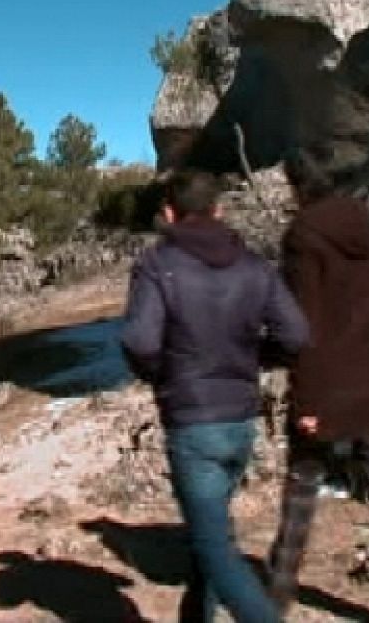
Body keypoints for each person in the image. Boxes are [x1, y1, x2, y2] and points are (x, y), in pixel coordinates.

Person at [120, 168, 311, 623]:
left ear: (168, 212)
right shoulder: (254, 266)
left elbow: (140, 342)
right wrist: (253, 357)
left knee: (213, 547)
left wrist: (166, 376)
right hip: (241, 419)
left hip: (192, 420)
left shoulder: (157, 264)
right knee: (210, 534)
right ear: (219, 209)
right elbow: (297, 335)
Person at [265, 149, 369, 623]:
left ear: (297, 187)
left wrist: (308, 399)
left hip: (323, 384)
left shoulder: (302, 237)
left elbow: (301, 325)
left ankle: (274, 602)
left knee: (300, 498)